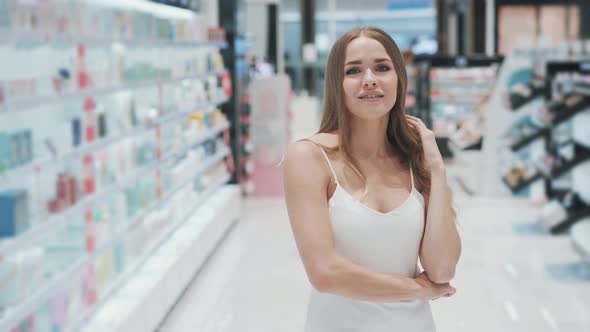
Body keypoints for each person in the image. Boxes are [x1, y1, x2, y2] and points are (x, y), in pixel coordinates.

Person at [282, 26, 461, 332]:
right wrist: (415, 290)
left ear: (399, 79)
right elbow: (325, 273)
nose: (369, 79)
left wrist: (437, 170)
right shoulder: (309, 158)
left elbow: (441, 269)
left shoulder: (415, 159)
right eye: (353, 70)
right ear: (337, 84)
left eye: (382, 67)